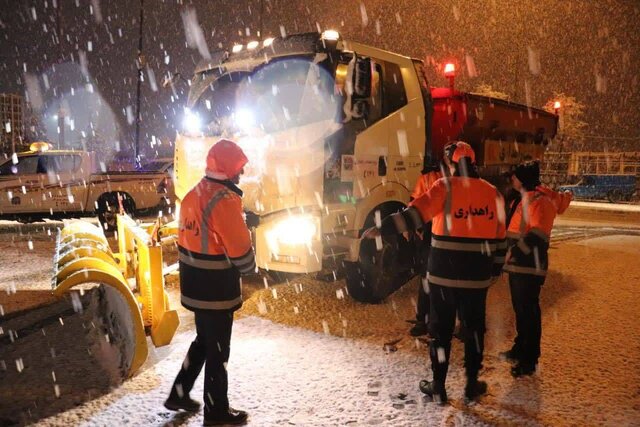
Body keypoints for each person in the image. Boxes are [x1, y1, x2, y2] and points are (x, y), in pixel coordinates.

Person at [364, 141, 506, 405]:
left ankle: (438, 385)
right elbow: (500, 240)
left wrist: (382, 228)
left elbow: (413, 216)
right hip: (476, 278)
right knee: (474, 330)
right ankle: (471, 384)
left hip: (443, 275)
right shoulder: (493, 194)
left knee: (440, 331)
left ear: (452, 163)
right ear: (473, 162)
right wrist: (494, 270)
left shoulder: (444, 187)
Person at [165, 139, 255, 426]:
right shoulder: (224, 201)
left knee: (204, 341)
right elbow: (240, 252)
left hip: (194, 285)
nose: (241, 173)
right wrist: (249, 263)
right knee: (218, 351)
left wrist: (241, 218)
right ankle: (216, 413)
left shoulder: (196, 192)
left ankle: (179, 393)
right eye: (239, 167)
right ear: (230, 168)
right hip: (216, 288)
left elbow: (202, 230)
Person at [500, 160, 572, 377]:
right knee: (521, 311)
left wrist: (515, 251)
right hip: (519, 265)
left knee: (528, 312)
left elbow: (538, 235)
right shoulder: (528, 197)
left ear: (523, 179)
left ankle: (529, 359)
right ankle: (520, 348)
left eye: (515, 176)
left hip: (529, 265)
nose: (512, 179)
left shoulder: (539, 201)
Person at [408, 162, 443, 337]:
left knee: (432, 279)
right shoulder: (429, 177)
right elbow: (415, 202)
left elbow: (414, 202)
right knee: (429, 277)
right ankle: (425, 320)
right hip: (433, 229)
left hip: (440, 230)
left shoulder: (439, 178)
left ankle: (431, 321)